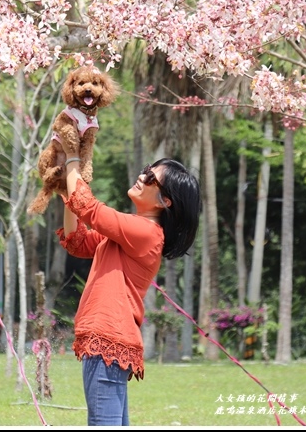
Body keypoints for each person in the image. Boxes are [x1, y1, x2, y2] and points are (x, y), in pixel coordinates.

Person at [56, 143, 202, 426]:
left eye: (151, 177)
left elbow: (91, 210)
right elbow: (77, 240)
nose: (142, 175)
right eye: (147, 170)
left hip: (107, 340)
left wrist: (74, 156)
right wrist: (66, 184)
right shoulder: (130, 233)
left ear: (164, 201)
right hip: (110, 342)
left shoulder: (146, 232)